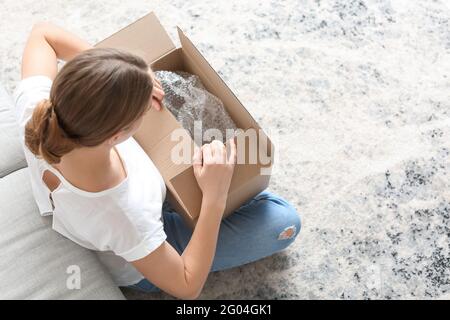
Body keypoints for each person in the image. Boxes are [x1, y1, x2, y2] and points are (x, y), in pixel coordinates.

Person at [15, 22, 301, 299]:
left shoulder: (38, 109)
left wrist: (123, 77)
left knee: (242, 184)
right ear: (116, 135)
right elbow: (187, 286)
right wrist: (215, 198)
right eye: (142, 111)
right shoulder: (124, 215)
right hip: (142, 253)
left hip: (117, 212)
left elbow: (44, 33)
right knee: (283, 220)